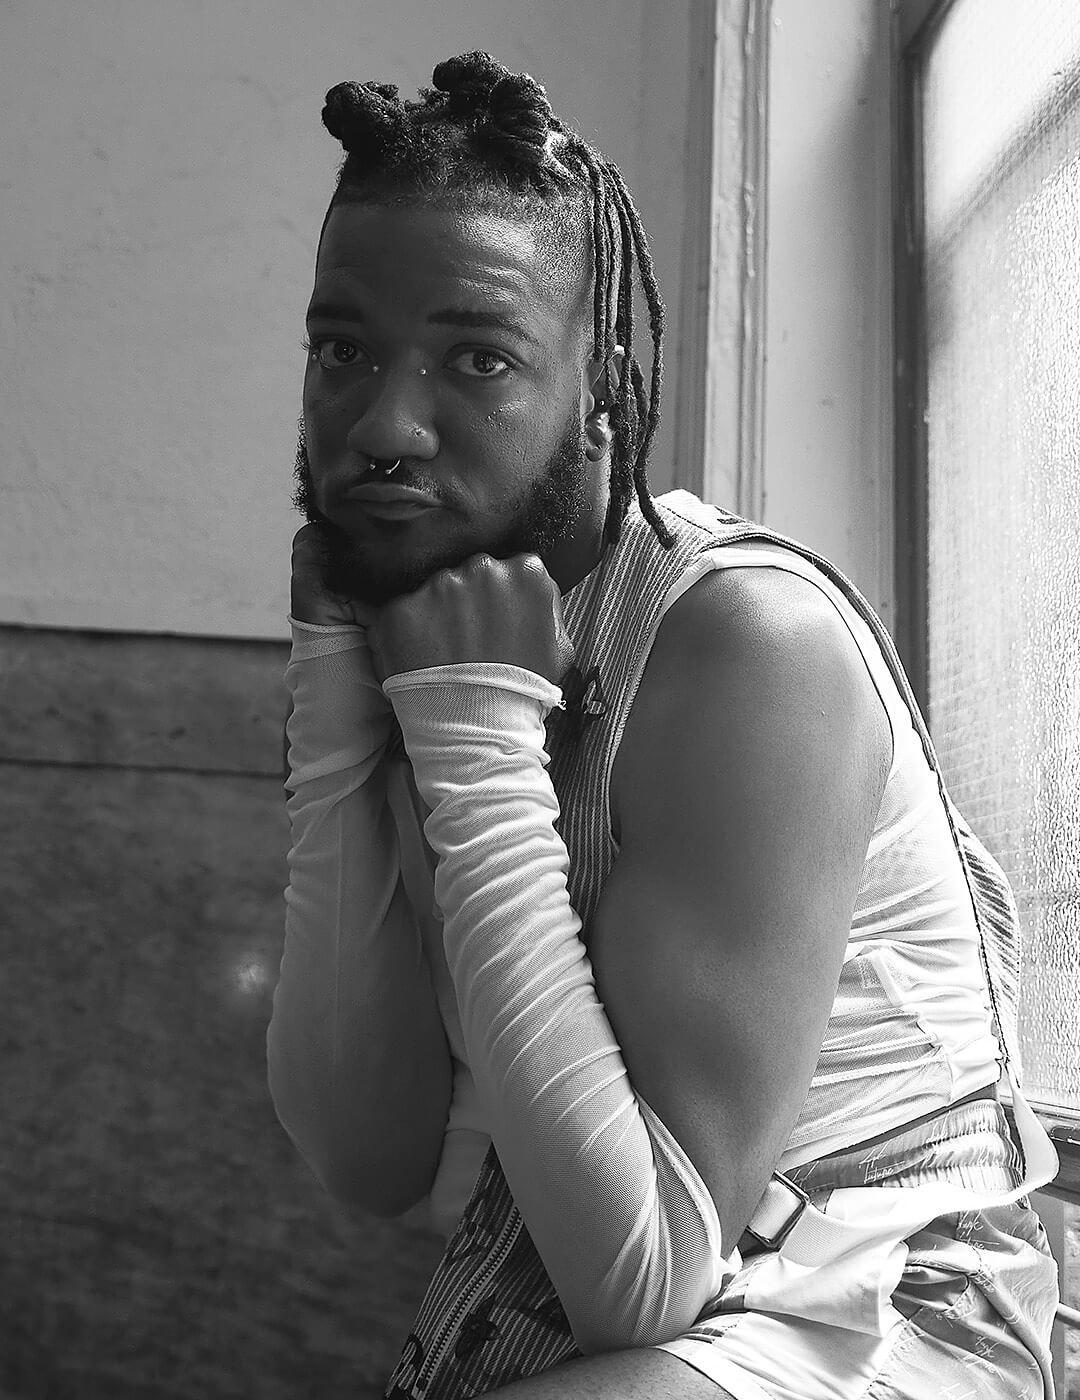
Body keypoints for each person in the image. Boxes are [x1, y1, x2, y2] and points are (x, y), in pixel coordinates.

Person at [266, 51, 1060, 1400]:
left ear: (602, 386)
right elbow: (369, 1153)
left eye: (478, 357)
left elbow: (647, 1273)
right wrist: (338, 732)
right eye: (342, 350)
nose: (384, 425)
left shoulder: (745, 640)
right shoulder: (442, 608)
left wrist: (471, 735)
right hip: (613, 1311)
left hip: (892, 1316)